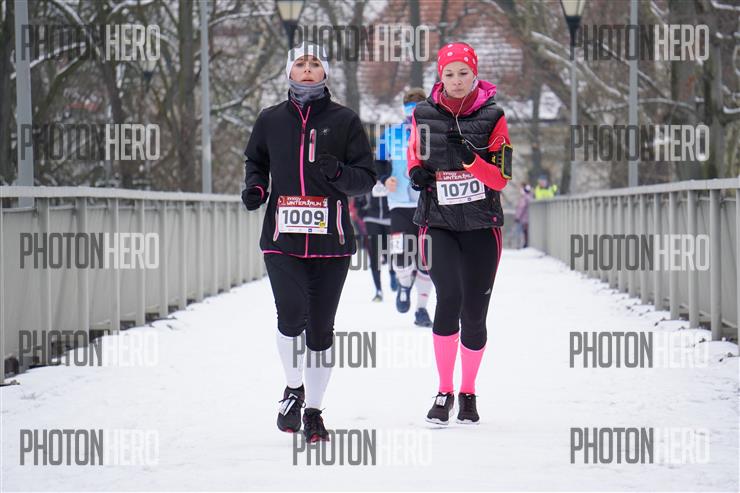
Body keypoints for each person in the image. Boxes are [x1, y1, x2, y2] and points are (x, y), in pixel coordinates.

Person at [242, 42, 375, 442]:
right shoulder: (270, 120)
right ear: (289, 72)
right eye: (299, 63)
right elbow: (256, 161)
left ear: (324, 73)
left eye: (314, 63)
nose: (306, 68)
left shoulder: (345, 120)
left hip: (331, 242)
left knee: (320, 330)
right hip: (281, 238)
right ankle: (293, 387)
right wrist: (256, 187)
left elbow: (365, 178)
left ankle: (314, 411)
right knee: (290, 315)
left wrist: (339, 174)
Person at [407, 42, 512, 425]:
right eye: (449, 74)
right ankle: (444, 390)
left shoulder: (494, 116)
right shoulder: (423, 113)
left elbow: (501, 178)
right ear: (440, 76)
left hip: (482, 226)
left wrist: (471, 159)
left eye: (463, 73)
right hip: (438, 222)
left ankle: (468, 392)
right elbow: (414, 151)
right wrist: (416, 172)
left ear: (474, 74)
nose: (455, 80)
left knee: (474, 313)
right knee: (448, 297)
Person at [379, 88, 434, 327]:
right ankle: (403, 285)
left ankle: (421, 309)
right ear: (404, 109)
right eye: (410, 109)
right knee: (400, 253)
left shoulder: (434, 133)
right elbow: (379, 163)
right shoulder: (390, 134)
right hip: (399, 202)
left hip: (428, 202)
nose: (413, 114)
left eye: (418, 108)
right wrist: (384, 180)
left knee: (427, 259)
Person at [354, 171, 397, 302]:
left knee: (389, 251)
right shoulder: (368, 169)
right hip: (371, 218)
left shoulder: (390, 167)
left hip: (390, 217)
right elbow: (359, 188)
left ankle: (393, 273)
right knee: (374, 254)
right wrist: (361, 210)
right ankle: (378, 290)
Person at [515, 183, 532, 248]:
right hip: (526, 217)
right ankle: (525, 244)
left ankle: (521, 245)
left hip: (523, 218)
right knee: (525, 232)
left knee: (521, 232)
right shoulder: (529, 196)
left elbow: (521, 208)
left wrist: (517, 217)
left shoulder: (524, 197)